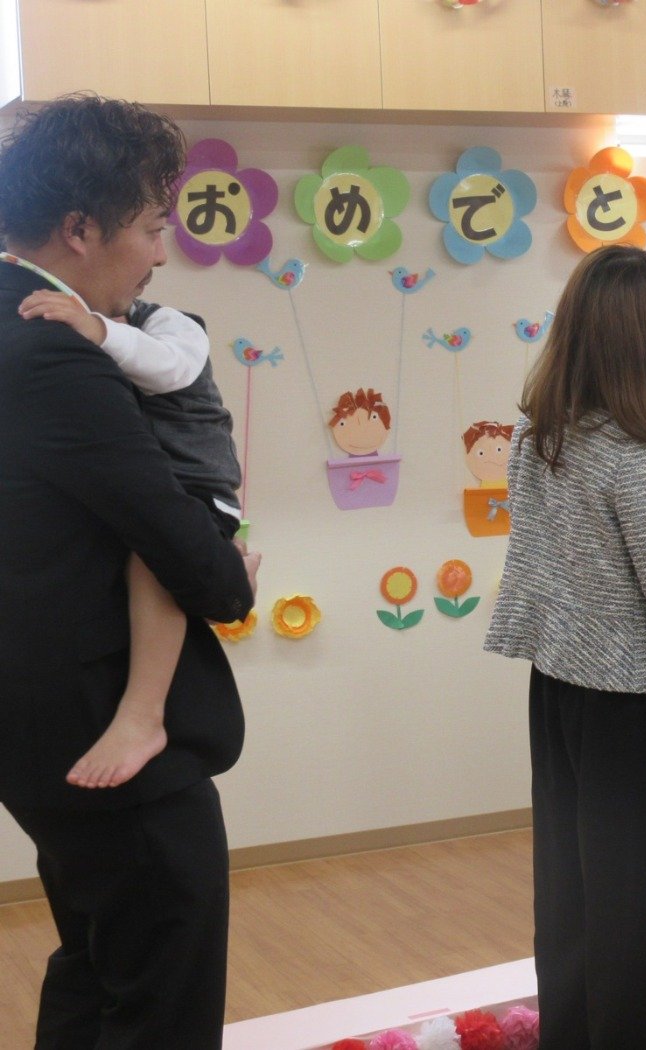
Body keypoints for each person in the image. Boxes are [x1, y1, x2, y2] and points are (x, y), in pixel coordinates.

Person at [0, 95, 258, 1048]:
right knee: (160, 998)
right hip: (104, 729)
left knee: (95, 967)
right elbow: (171, 530)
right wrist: (231, 578)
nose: (158, 254)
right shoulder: (51, 353)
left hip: (37, 726)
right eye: (151, 228)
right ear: (80, 229)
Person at [484, 245, 646, 1050]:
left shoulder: (540, 430)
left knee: (574, 893)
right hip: (635, 703)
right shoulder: (634, 451)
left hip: (558, 686)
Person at [16, 291, 242, 791]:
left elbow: (168, 368)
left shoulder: (175, 324)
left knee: (156, 557)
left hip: (199, 490)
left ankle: (144, 714)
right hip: (150, 495)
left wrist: (95, 328)